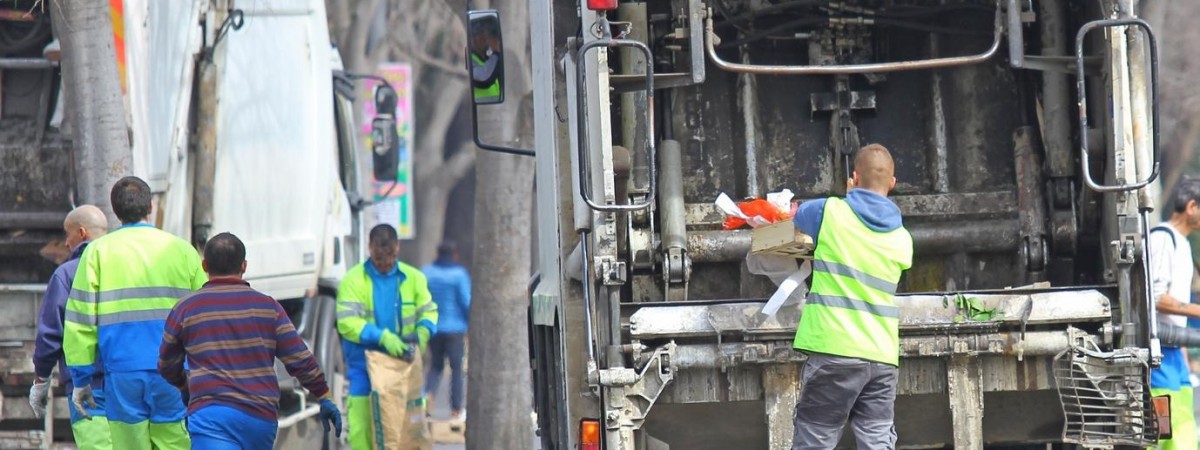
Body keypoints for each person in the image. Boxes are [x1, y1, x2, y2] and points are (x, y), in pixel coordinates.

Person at [158, 232, 342, 449]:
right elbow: (300, 359)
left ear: (204, 265)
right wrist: (324, 395)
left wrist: (184, 385)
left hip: (211, 416)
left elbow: (166, 363)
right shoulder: (268, 307)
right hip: (260, 419)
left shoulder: (186, 308)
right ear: (244, 266)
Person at [63, 176, 205, 450]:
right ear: (150, 206)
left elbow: (80, 320)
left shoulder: (96, 252)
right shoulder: (182, 250)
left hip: (122, 372)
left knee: (129, 444)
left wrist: (81, 378)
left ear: (115, 211)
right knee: (174, 441)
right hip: (174, 373)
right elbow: (204, 313)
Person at [789, 144, 914, 450]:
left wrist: (847, 197)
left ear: (854, 178)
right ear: (893, 183)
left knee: (814, 441)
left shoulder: (830, 212)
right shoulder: (903, 240)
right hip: (882, 359)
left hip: (835, 351)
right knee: (877, 443)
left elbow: (797, 215)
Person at [337, 224, 438, 449]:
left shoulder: (414, 278)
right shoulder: (353, 280)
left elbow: (428, 311)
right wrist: (383, 337)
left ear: (397, 248)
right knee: (362, 427)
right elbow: (346, 323)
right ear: (369, 248)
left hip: (404, 367)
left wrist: (422, 334)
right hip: (365, 366)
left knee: (409, 430)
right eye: (379, 257)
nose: (385, 263)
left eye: (389, 256)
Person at [30, 205, 112, 450]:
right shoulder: (126, 269)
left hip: (86, 385)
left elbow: (50, 335)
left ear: (83, 233)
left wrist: (41, 380)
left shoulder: (66, 274)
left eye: (69, 235)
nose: (66, 243)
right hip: (129, 379)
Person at [1146, 178, 1200, 450]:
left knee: (1183, 426)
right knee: (1163, 431)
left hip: (1174, 354)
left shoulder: (1184, 245)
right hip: (1158, 356)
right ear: (1192, 206)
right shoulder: (1162, 238)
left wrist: (1185, 354)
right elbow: (1156, 299)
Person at [422, 242, 472, 420]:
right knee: (456, 368)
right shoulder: (459, 275)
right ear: (455, 255)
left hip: (434, 327)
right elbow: (466, 301)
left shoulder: (427, 272)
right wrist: (470, 325)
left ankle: (426, 397)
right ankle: (456, 409)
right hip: (455, 329)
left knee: (435, 366)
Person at [469, 17, 503, 102]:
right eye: (481, 33)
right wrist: (496, 51)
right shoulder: (469, 60)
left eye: (486, 34)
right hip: (480, 111)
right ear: (473, 38)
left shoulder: (488, 58)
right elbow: (483, 77)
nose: (486, 38)